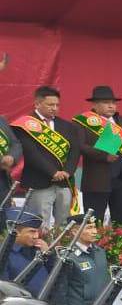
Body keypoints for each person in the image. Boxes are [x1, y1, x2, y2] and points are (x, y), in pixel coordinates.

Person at [13, 86, 80, 229]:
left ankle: (60, 250)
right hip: (39, 181)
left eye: (57, 105)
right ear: (37, 104)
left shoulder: (67, 126)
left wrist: (67, 171)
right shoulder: (25, 125)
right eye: (50, 105)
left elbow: (75, 151)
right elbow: (31, 153)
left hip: (64, 182)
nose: (54, 108)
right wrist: (53, 172)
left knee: (64, 225)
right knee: (38, 223)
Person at [75, 85, 122, 227]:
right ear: (95, 105)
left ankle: (120, 249)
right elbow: (80, 146)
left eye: (113, 103)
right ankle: (95, 249)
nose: (111, 106)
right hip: (97, 179)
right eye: (106, 103)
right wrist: (104, 156)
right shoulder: (82, 121)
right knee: (94, 222)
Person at [3, 209, 51, 292]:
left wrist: (49, 255)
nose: (36, 236)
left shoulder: (39, 250)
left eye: (37, 232)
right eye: (32, 231)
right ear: (16, 231)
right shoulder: (4, 254)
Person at [0, 111, 21, 198]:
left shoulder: (1, 120)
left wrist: (12, 157)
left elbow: (16, 143)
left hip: (3, 179)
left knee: (4, 210)